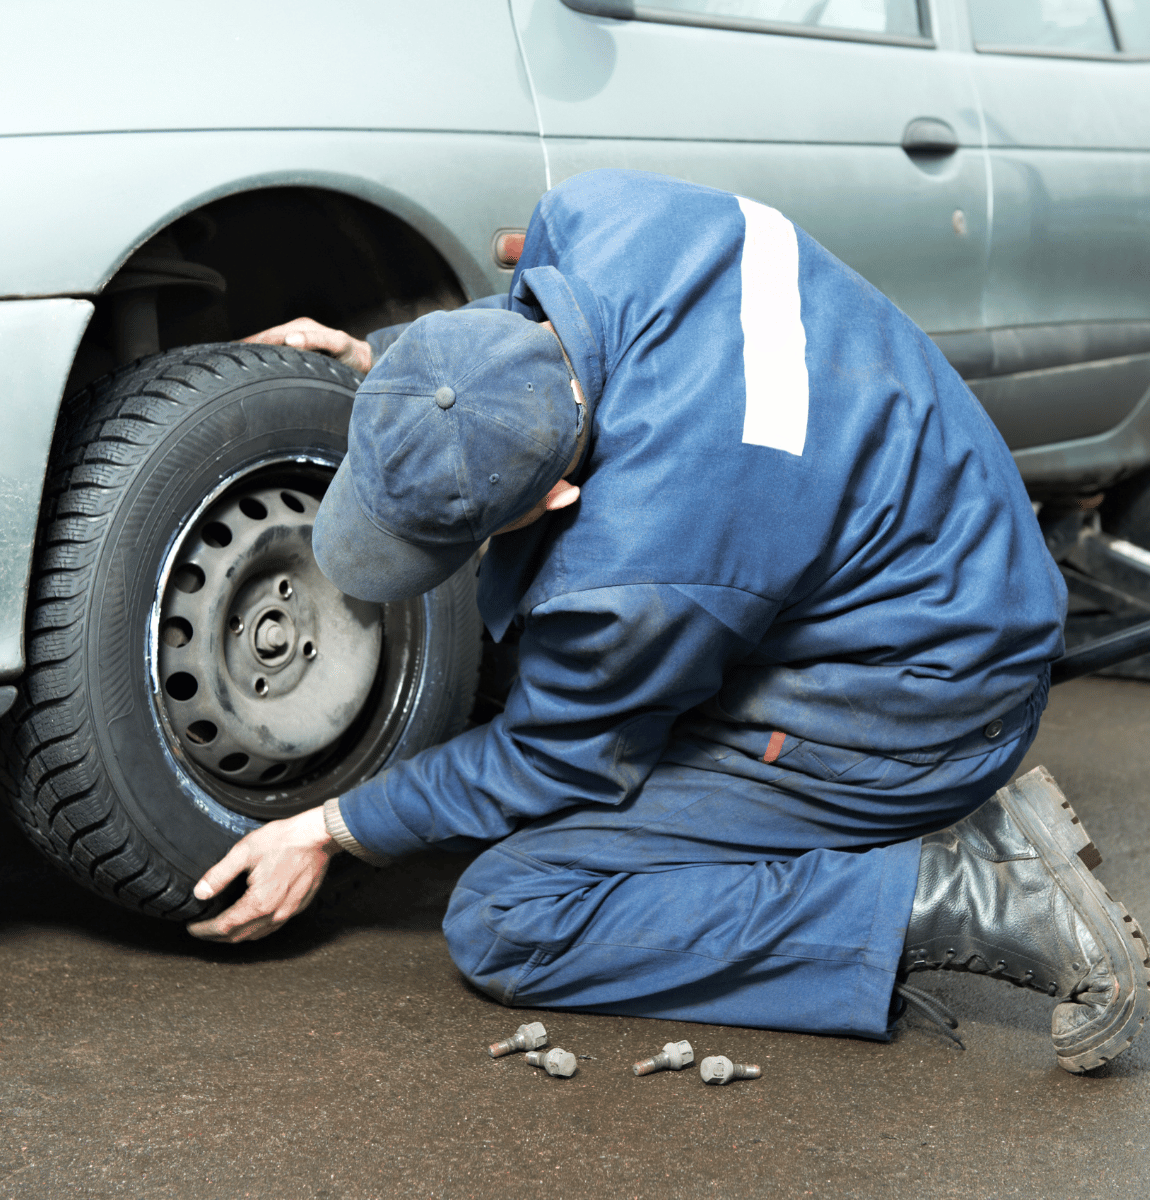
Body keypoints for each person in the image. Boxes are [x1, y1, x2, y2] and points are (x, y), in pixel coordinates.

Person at [187, 170, 1149, 1073]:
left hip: (921, 712)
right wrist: (396, 371)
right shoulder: (603, 216)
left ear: (560, 492)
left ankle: (967, 895)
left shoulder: (643, 569)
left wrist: (331, 825)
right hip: (960, 568)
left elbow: (553, 759)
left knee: (512, 914)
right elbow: (528, 326)